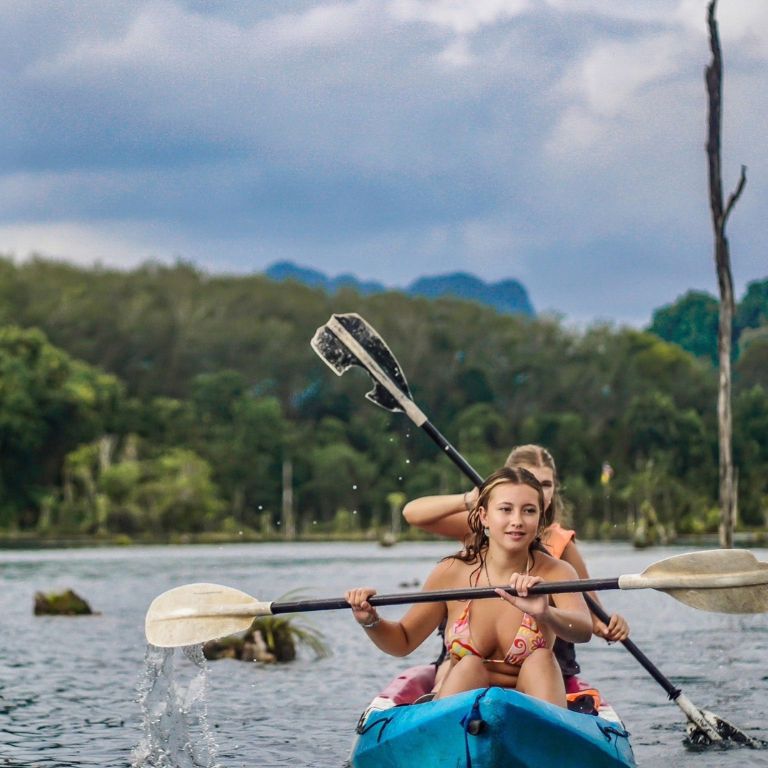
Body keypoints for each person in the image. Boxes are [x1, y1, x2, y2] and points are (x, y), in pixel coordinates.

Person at [346, 467, 593, 706]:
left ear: (540, 518)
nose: (517, 521)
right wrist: (371, 621)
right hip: (463, 711)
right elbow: (403, 641)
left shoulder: (556, 571)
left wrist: (545, 613)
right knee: (469, 665)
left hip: (530, 710)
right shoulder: (451, 572)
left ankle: (547, 740)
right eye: (505, 509)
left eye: (528, 511)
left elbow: (582, 631)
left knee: (541, 659)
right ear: (484, 516)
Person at [401, 444, 630, 663]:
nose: (535, 489)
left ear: (554, 489)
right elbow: (412, 514)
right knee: (454, 670)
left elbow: (592, 620)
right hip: (470, 650)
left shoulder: (562, 546)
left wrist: (608, 627)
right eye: (528, 478)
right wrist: (469, 499)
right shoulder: (480, 525)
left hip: (539, 655)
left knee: (540, 663)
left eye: (545, 484)